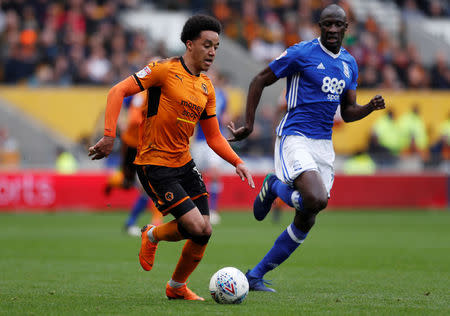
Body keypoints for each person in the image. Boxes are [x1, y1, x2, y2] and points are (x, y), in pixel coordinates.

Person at [88, 14, 254, 301]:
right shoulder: (163, 70)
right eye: (207, 45)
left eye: (216, 46)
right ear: (190, 45)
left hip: (184, 164)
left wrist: (237, 161)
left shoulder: (207, 87)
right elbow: (118, 90)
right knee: (193, 225)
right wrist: (109, 135)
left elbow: (213, 136)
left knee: (204, 231)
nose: (213, 52)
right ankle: (151, 235)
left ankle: (176, 286)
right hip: (154, 164)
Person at [228, 4, 385, 292]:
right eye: (328, 24)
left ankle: (255, 276)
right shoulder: (302, 53)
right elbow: (260, 79)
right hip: (295, 136)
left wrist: (368, 108)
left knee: (311, 213)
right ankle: (274, 186)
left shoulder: (350, 63)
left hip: (323, 145)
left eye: (338, 25)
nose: (333, 30)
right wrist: (248, 124)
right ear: (320, 26)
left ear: (346, 28)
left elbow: (348, 112)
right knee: (313, 197)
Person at [190, 69, 230, 225]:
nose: (210, 79)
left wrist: (226, 120)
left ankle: (212, 210)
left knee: (214, 173)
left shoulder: (222, 95)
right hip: (199, 140)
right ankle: (198, 208)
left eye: (212, 76)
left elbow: (224, 114)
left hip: (214, 140)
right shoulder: (198, 93)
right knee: (197, 176)